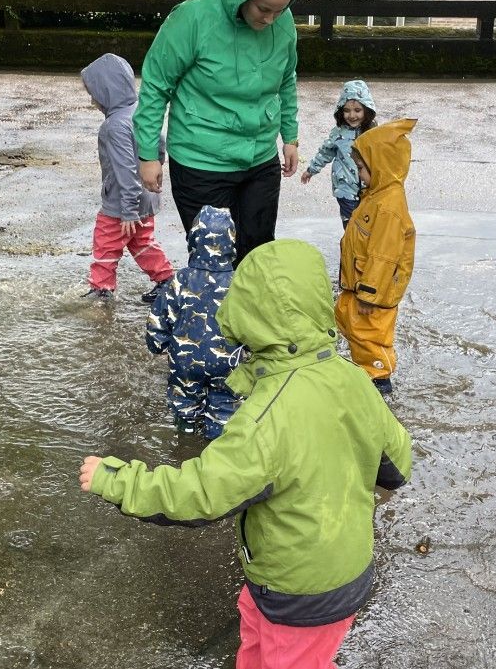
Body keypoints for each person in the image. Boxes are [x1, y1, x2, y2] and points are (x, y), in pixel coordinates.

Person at [79, 238, 412, 669]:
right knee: (257, 640)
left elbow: (201, 493)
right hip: (333, 569)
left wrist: (118, 480)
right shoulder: (353, 379)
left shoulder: (266, 419)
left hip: (299, 592)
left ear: (246, 314)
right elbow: (396, 465)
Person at [133, 0, 302, 267]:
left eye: (280, 10)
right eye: (263, 8)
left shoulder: (283, 24)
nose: (271, 19)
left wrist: (290, 136)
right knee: (213, 261)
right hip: (202, 161)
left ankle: (249, 305)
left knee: (257, 256)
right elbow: (156, 85)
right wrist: (148, 154)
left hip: (259, 160)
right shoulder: (192, 19)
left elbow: (286, 79)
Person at [146, 205, 246, 438]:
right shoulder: (240, 282)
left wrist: (157, 345)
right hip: (228, 362)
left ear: (193, 240)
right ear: (231, 242)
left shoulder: (180, 280)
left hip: (185, 362)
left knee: (185, 403)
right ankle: (216, 442)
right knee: (226, 405)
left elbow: (159, 319)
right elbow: (252, 322)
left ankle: (186, 439)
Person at [81, 52, 173, 303]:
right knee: (142, 242)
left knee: (106, 242)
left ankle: (101, 289)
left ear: (106, 92)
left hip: (121, 204)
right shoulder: (140, 112)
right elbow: (159, 145)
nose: (93, 100)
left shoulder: (113, 127)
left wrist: (128, 210)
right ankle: (166, 279)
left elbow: (125, 170)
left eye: (94, 93)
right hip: (147, 196)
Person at [335, 119, 417, 398]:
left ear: (381, 165)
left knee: (370, 337)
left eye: (361, 168)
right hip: (360, 285)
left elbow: (384, 256)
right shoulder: (375, 195)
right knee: (352, 326)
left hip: (372, 291)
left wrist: (369, 293)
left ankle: (379, 385)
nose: (358, 174)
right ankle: (364, 373)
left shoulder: (389, 206)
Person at [301, 79, 377, 228]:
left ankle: (364, 243)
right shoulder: (338, 133)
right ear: (341, 110)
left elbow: (384, 155)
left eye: (357, 110)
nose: (352, 115)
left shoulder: (373, 132)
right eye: (347, 110)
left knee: (367, 224)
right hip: (345, 188)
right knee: (350, 225)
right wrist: (311, 170)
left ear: (366, 110)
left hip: (368, 188)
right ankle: (349, 242)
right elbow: (325, 152)